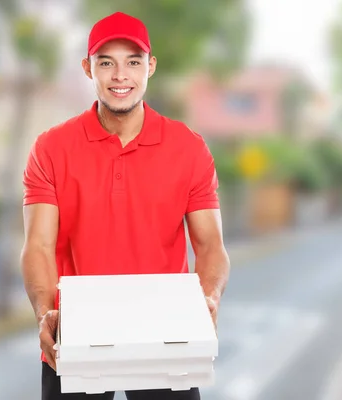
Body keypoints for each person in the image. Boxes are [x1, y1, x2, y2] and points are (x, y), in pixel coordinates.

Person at [20, 11, 230, 400]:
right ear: (88, 68)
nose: (121, 75)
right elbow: (38, 246)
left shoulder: (189, 148)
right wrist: (45, 314)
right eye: (107, 63)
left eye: (133, 62)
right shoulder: (51, 148)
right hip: (76, 331)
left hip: (167, 332)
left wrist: (209, 298)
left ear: (150, 66)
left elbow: (210, 245)